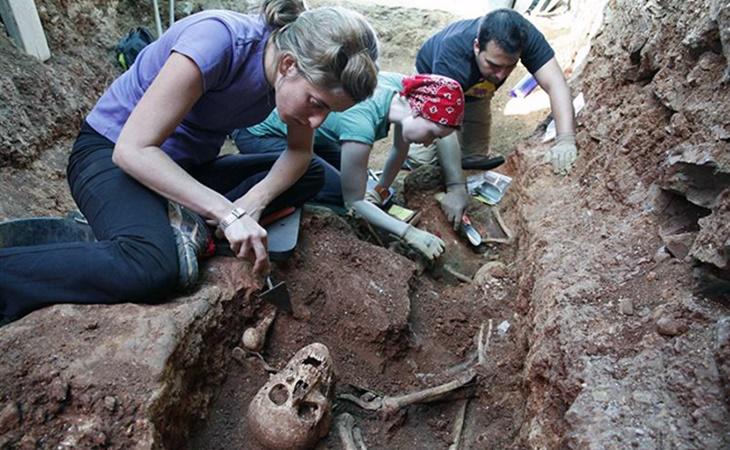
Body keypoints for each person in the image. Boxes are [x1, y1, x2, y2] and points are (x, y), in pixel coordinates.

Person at [0, 0, 379, 324]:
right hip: (111, 155)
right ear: (288, 65)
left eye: (329, 112)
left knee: (311, 173)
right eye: (316, 104)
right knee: (151, 267)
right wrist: (227, 214)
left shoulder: (292, 76)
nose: (317, 121)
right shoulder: (218, 40)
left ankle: (169, 219)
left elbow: (299, 153)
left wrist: (251, 203)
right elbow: (132, 149)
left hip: (182, 169)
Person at [234, 73, 465, 260]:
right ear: (418, 110)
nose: (427, 143)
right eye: (432, 134)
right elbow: (354, 200)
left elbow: (399, 150)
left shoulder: (405, 92)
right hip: (260, 133)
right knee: (336, 191)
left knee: (357, 177)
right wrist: (409, 233)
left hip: (309, 135)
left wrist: (381, 190)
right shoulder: (361, 124)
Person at [412, 8, 577, 228]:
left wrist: (566, 138)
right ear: (477, 45)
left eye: (510, 66)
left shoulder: (523, 35)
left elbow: (555, 83)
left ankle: (463, 161)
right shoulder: (451, 55)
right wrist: (455, 187)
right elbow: (443, 123)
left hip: (478, 90)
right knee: (421, 161)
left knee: (473, 159)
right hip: (436, 85)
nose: (502, 75)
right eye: (494, 65)